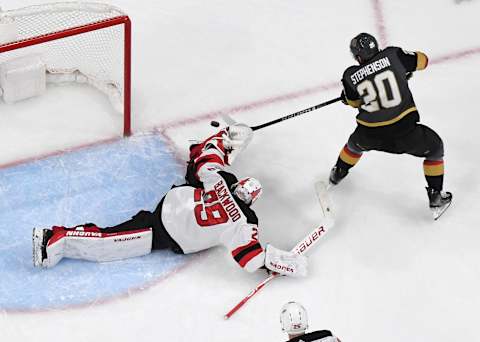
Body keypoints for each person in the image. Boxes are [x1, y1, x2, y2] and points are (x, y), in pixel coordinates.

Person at [32, 124, 307, 278]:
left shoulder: (222, 180)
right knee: (112, 243)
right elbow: (250, 259)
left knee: (199, 169)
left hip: (172, 206)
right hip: (169, 234)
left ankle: (58, 238)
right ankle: (54, 240)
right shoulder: (244, 223)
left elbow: (204, 157)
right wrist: (279, 262)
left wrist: (225, 139)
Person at [330, 32, 452, 219]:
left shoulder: (350, 75)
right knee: (435, 149)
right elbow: (423, 61)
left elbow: (353, 102)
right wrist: (402, 70)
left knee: (354, 145)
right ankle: (435, 196)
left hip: (369, 135)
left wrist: (346, 98)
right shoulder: (393, 55)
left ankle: (338, 172)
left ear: (358, 56)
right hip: (406, 134)